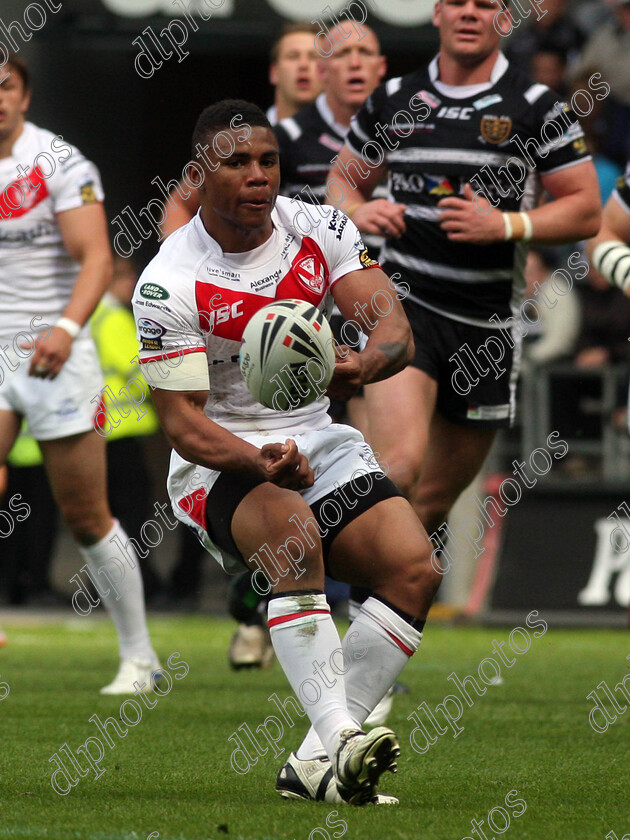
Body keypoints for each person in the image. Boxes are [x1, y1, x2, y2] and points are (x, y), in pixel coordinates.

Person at [132, 99, 442, 805]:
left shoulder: (320, 226)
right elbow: (182, 425)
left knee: (413, 570)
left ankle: (311, 764)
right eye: (236, 161)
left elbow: (392, 326)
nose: (258, 175)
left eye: (268, 160)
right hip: (219, 458)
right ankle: (343, 742)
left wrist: (362, 367)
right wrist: (258, 462)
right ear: (198, 173)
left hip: (319, 437)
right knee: (296, 540)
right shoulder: (169, 282)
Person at [326, 0, 601, 560]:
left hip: (486, 328)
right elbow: (342, 180)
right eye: (458, 2)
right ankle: (344, 618)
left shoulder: (536, 106)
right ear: (437, 14)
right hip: (404, 308)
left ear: (505, 19)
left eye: (486, 4)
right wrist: (358, 211)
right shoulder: (396, 98)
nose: (470, 13)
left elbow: (585, 209)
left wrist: (505, 224)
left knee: (430, 502)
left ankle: (380, 623)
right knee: (397, 469)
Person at [227, 22, 388, 675]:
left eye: (363, 54)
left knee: (382, 473)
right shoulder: (281, 140)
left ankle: (357, 639)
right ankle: (256, 606)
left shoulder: (408, 131)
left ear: (383, 68)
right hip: (285, 343)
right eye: (337, 54)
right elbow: (187, 208)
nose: (351, 65)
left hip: (376, 324)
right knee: (287, 484)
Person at [0, 54, 160, 694]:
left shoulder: (61, 163)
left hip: (58, 348)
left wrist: (66, 329)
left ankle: (140, 658)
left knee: (87, 513)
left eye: (4, 86)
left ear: (25, 95)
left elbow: (96, 258)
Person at [159, 23, 322, 238]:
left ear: (328, 70)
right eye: (293, 56)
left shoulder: (345, 141)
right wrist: (183, 262)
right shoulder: (243, 137)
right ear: (274, 72)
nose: (303, 65)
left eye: (314, 57)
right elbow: (178, 204)